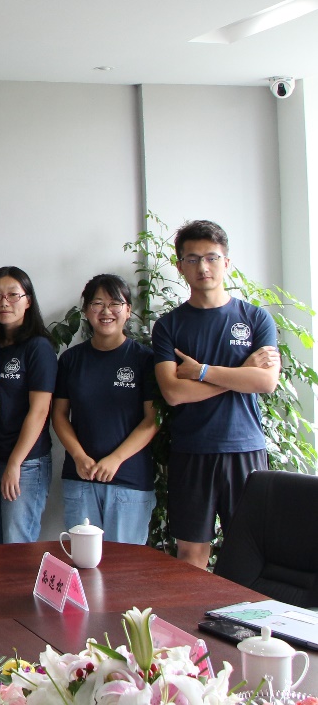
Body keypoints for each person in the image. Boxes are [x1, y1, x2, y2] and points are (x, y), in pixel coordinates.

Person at [152, 220, 279, 569]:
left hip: (245, 448)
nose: (203, 267)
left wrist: (202, 372)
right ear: (180, 266)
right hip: (192, 450)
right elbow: (173, 392)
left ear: (227, 262)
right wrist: (241, 372)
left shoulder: (256, 319)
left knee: (252, 551)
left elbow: (266, 382)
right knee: (191, 554)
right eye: (192, 259)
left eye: (211, 257)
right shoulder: (168, 326)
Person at [52, 274, 159, 545]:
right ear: (86, 310)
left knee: (126, 566)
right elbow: (59, 415)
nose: (106, 311)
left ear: (128, 310)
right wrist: (79, 456)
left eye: (115, 304)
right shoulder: (71, 360)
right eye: (97, 303)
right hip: (81, 477)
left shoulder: (145, 360)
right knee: (82, 563)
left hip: (129, 480)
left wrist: (116, 459)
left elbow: (152, 420)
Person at [0, 266, 56, 544]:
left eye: (13, 295)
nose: (4, 302)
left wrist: (15, 463)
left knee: (16, 544)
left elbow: (40, 411)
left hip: (26, 462)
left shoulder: (38, 347)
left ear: (28, 301)